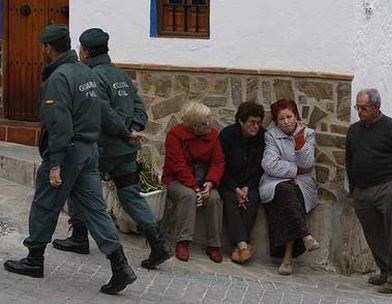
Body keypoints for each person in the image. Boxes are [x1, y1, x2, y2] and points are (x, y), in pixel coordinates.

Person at [3, 24, 136, 295]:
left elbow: (59, 123)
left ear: (47, 48)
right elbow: (104, 110)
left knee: (44, 204)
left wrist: (55, 163)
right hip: (89, 153)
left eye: (43, 47)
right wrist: (126, 133)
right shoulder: (85, 73)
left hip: (68, 153)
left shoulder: (58, 79)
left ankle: (34, 259)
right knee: (96, 210)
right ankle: (120, 265)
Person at [52, 28, 172, 270]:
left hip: (102, 150)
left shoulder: (91, 76)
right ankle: (158, 243)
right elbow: (139, 107)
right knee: (130, 195)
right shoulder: (120, 75)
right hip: (126, 150)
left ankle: (78, 237)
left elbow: (104, 113)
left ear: (85, 51)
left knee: (81, 187)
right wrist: (133, 131)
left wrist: (125, 133)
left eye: (80, 48)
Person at [346, 88, 392, 294]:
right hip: (362, 192)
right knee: (374, 235)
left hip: (387, 189)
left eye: (364, 107)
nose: (359, 111)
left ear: (376, 107)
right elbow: (349, 158)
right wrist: (353, 187)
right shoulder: (354, 130)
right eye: (357, 107)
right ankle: (385, 270)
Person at [259, 99, 320, 275]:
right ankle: (305, 236)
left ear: (296, 116)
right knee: (286, 191)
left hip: (303, 183)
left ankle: (287, 258)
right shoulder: (271, 135)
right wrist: (295, 170)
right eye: (281, 118)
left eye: (289, 117)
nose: (286, 121)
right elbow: (269, 164)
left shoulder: (307, 134)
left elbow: (307, 161)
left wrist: (299, 140)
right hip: (274, 181)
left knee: (290, 196)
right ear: (276, 121)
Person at [162, 102, 225, 263]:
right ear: (194, 126)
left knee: (214, 198)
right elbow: (178, 165)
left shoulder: (212, 136)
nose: (209, 126)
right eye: (205, 124)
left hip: (203, 180)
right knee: (188, 196)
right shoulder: (175, 135)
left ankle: (214, 244)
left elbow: (218, 162)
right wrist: (195, 187)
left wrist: (210, 183)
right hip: (177, 180)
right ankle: (183, 241)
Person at [219, 102, 265, 264]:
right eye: (252, 122)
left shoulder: (263, 138)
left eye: (259, 123)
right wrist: (235, 188)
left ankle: (239, 247)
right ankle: (243, 244)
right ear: (241, 121)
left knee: (252, 199)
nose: (256, 126)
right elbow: (220, 165)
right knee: (230, 199)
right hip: (228, 182)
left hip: (250, 184)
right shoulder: (227, 135)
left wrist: (246, 187)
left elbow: (261, 169)